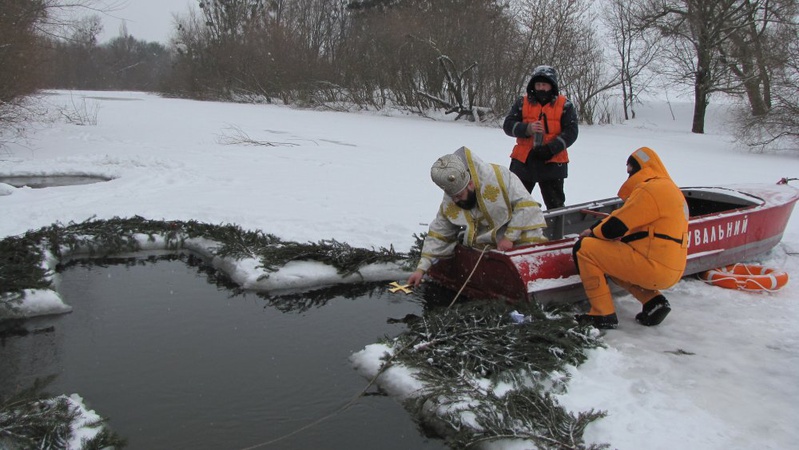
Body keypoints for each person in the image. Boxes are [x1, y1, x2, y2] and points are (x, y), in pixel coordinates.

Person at [572, 147, 689, 329]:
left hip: (653, 266)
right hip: (672, 268)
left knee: (584, 249)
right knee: (613, 260)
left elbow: (614, 227)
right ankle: (653, 301)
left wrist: (592, 233)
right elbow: (626, 216)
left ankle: (602, 314)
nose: (627, 173)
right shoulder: (670, 190)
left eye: (630, 169)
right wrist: (597, 228)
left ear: (640, 168)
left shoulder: (650, 189)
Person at [407, 146, 548, 287]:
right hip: (487, 251)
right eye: (452, 197)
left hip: (522, 236)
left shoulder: (499, 176)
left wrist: (509, 237)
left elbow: (526, 206)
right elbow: (440, 232)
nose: (455, 201)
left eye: (459, 196)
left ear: (470, 184)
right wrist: (421, 269)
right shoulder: (453, 193)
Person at [503, 65, 578, 210]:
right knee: (514, 205)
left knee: (555, 207)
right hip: (523, 161)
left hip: (553, 162)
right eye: (538, 84)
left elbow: (571, 132)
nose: (541, 88)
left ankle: (555, 226)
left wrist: (551, 149)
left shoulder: (565, 105)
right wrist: (527, 128)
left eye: (544, 84)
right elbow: (507, 125)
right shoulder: (522, 102)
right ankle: (516, 225)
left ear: (552, 85)